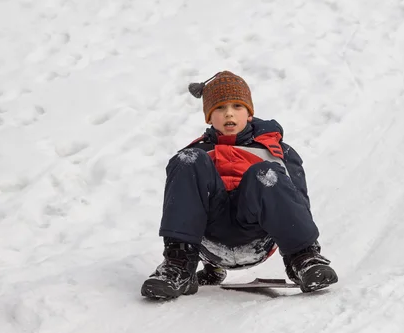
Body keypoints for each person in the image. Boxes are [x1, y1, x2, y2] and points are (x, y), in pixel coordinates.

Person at [141, 71, 338, 299]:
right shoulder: (199, 153)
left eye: (237, 106)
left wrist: (303, 244)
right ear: (208, 117)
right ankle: (179, 265)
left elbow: (298, 202)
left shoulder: (277, 151)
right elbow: (184, 205)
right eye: (220, 108)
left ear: (249, 113)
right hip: (210, 238)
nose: (229, 114)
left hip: (257, 235)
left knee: (264, 173)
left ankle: (304, 260)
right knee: (187, 160)